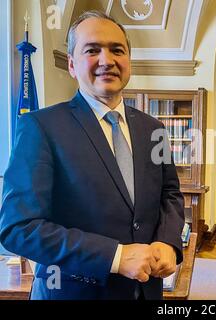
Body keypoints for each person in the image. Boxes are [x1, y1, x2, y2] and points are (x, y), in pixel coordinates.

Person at [0, 11, 185, 300]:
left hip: (146, 291)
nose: (106, 60)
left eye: (117, 50)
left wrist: (168, 242)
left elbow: (170, 194)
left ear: (128, 62)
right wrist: (115, 256)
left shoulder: (154, 128)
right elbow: (19, 228)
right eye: (92, 50)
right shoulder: (40, 127)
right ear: (72, 65)